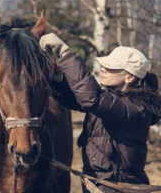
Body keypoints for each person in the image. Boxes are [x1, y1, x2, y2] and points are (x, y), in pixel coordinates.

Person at [39, 33, 161, 193]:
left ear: (130, 77)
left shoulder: (136, 108)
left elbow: (91, 98)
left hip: (117, 188)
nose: (103, 69)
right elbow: (77, 98)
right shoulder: (114, 100)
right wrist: (59, 78)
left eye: (111, 67)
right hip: (101, 185)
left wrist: (65, 53)